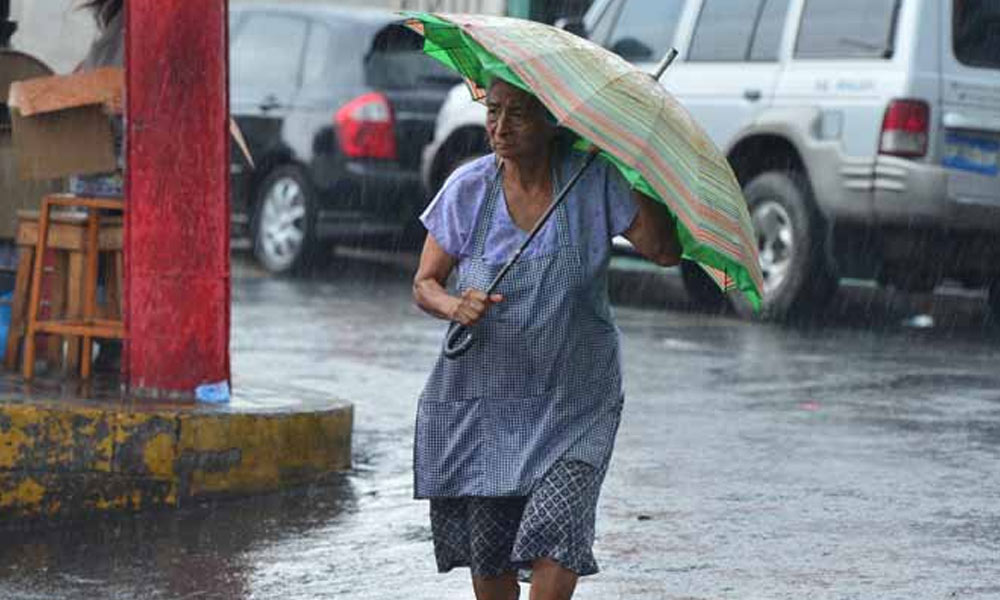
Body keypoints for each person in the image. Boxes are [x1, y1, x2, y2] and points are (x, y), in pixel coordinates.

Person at [412, 79, 682, 600]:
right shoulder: (468, 190)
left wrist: (635, 165)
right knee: (489, 556)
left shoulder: (594, 181)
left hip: (576, 400)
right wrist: (454, 304)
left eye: (519, 114)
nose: (500, 126)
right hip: (488, 403)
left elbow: (665, 251)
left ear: (554, 121)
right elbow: (424, 284)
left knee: (560, 529)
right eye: (493, 111)